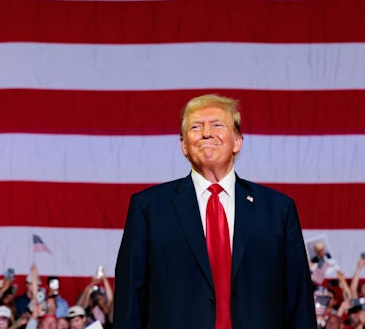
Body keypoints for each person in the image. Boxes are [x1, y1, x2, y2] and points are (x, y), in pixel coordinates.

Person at [114, 93, 317, 328]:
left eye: (217, 125)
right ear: (183, 145)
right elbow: (130, 299)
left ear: (237, 142)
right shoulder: (149, 208)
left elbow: (298, 299)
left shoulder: (277, 209)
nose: (206, 133)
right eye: (195, 127)